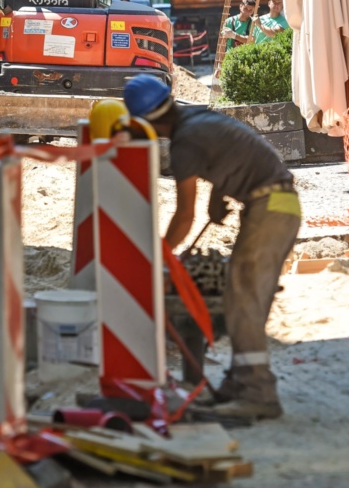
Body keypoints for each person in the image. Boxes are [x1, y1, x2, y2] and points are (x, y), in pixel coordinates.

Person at [122, 74, 301, 420]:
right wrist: (218, 198)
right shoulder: (200, 118)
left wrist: (156, 257)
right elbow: (228, 155)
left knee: (243, 297)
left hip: (272, 207)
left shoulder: (184, 142)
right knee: (243, 298)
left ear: (148, 122)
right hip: (278, 204)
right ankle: (238, 384)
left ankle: (257, 393)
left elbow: (184, 216)